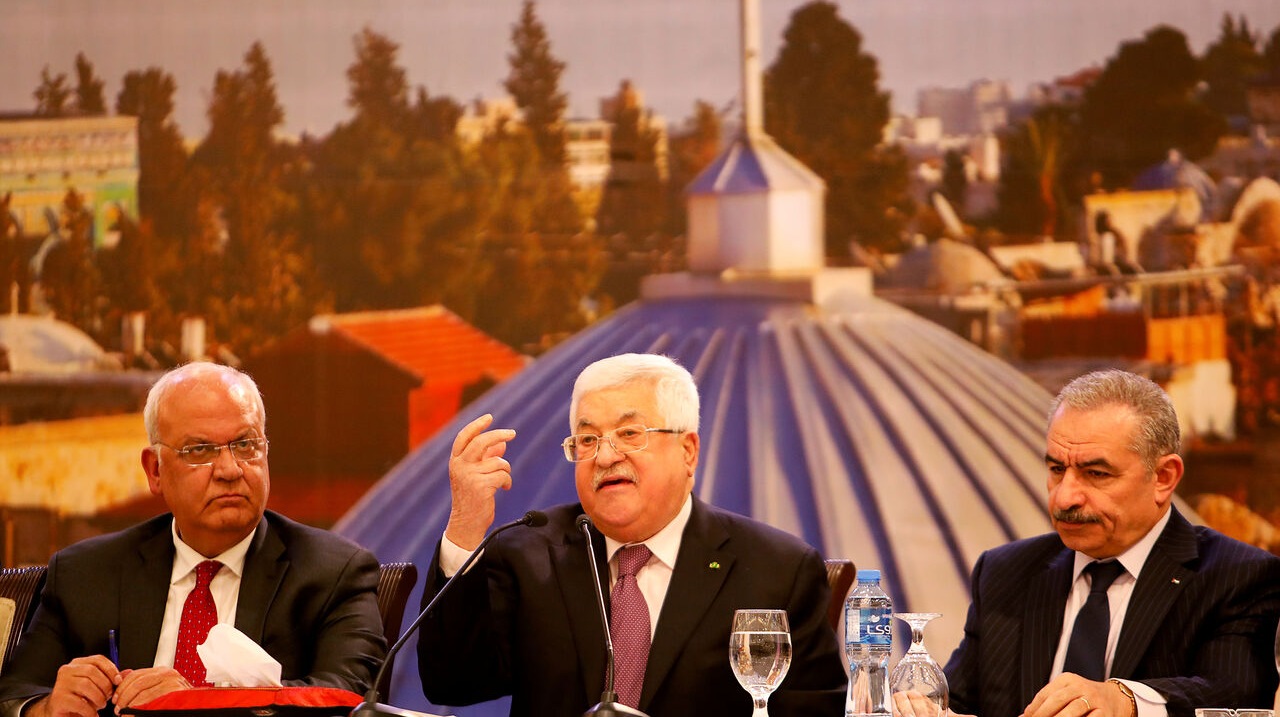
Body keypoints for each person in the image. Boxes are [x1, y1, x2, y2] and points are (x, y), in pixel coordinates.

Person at [417, 353, 846, 716]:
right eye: (586, 440)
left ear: (688, 451)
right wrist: (467, 525)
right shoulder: (528, 553)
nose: (605, 455)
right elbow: (454, 683)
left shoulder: (775, 571)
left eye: (629, 434)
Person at [0, 362, 386, 717]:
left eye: (246, 445)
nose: (230, 470)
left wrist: (198, 700)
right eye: (200, 450)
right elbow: (14, 695)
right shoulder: (84, 574)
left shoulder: (333, 573)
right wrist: (46, 707)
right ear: (155, 470)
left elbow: (349, 699)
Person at [943, 369, 1280, 717]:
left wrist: (1125, 700)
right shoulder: (1006, 572)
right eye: (1057, 470)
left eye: (1096, 474)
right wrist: (922, 705)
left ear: (1163, 478)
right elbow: (958, 702)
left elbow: (1235, 695)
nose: (1065, 498)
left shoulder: (1237, 576)